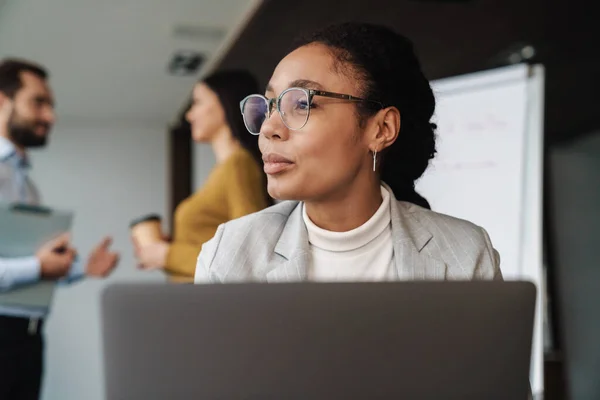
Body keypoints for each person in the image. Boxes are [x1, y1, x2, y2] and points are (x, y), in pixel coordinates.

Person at [194, 22, 502, 283]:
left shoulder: (465, 254)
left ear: (381, 129)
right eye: (270, 104)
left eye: (302, 103)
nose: (269, 128)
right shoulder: (230, 254)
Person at [0, 59, 119, 399]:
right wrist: (39, 265)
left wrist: (80, 268)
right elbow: (35, 265)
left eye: (50, 105)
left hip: (29, 335)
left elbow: (33, 265)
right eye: (38, 102)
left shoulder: (27, 185)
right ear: (2, 101)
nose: (49, 117)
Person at [135, 70, 271, 281]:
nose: (189, 115)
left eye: (197, 102)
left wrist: (168, 255)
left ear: (224, 103)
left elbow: (248, 254)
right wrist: (171, 249)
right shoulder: (224, 170)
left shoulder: (238, 165)